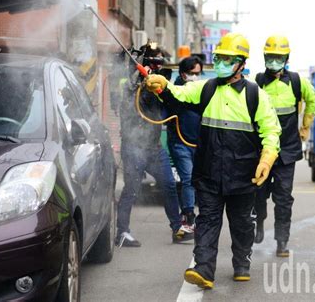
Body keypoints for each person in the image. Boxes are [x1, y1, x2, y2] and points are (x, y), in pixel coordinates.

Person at [145, 33, 281, 288]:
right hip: (208, 173)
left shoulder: (256, 95)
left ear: (241, 63)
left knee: (242, 224)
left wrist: (267, 159)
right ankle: (204, 270)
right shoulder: (206, 88)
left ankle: (242, 262)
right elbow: (178, 93)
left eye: (226, 59)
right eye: (218, 58)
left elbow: (271, 131)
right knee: (207, 220)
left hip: (243, 175)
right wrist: (162, 84)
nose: (220, 63)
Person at [115, 42, 194, 247]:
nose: (158, 68)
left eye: (160, 63)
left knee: (168, 185)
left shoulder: (158, 83)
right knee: (131, 189)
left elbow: (168, 105)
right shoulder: (131, 84)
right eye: (155, 63)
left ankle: (177, 228)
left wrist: (159, 88)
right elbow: (128, 104)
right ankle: (122, 232)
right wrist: (141, 82)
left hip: (154, 147)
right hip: (134, 146)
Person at [254, 35, 315, 256]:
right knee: (258, 192)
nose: (274, 61)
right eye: (270, 57)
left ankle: (282, 241)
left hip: (288, 150)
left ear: (286, 58)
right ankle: (259, 222)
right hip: (262, 149)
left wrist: (306, 125)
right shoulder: (258, 81)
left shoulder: (298, 82)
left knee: (283, 198)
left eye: (278, 58)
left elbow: (313, 99)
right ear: (264, 57)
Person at [165, 56, 203, 229]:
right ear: (183, 74)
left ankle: (197, 214)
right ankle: (189, 214)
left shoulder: (203, 90)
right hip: (180, 142)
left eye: (198, 73)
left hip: (199, 143)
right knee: (187, 178)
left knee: (198, 179)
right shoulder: (174, 91)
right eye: (191, 73)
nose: (195, 77)